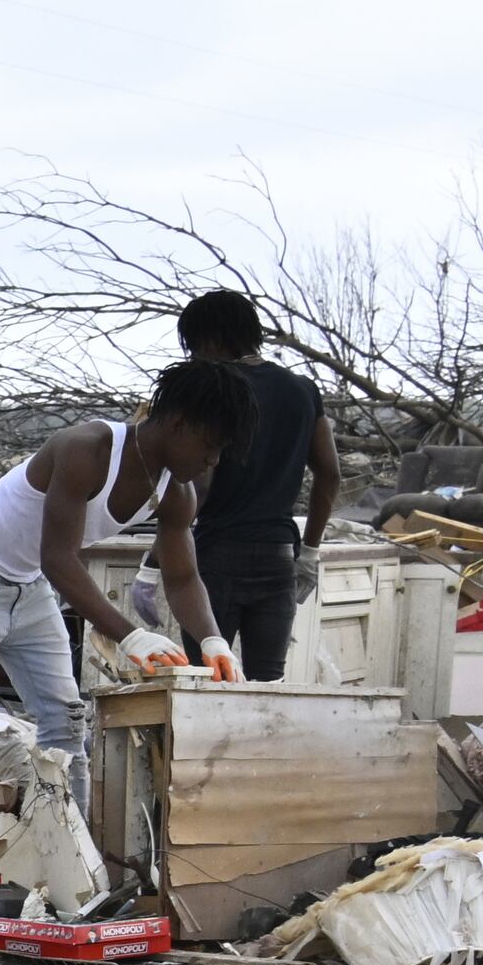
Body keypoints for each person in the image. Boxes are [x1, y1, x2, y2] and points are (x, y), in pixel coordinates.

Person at [0, 362, 253, 936]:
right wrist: (130, 632)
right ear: (181, 423)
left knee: (67, 723)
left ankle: (79, 878)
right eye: (211, 446)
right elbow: (58, 558)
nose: (212, 462)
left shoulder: (177, 491)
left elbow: (184, 579)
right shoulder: (89, 447)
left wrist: (211, 639)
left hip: (27, 589)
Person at [174, 289, 338, 679]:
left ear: (211, 339)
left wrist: (158, 556)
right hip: (280, 554)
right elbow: (329, 473)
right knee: (269, 684)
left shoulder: (212, 387)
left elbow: (202, 487)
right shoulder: (302, 390)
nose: (193, 357)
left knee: (207, 677)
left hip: (217, 555)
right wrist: (311, 551)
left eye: (194, 346)